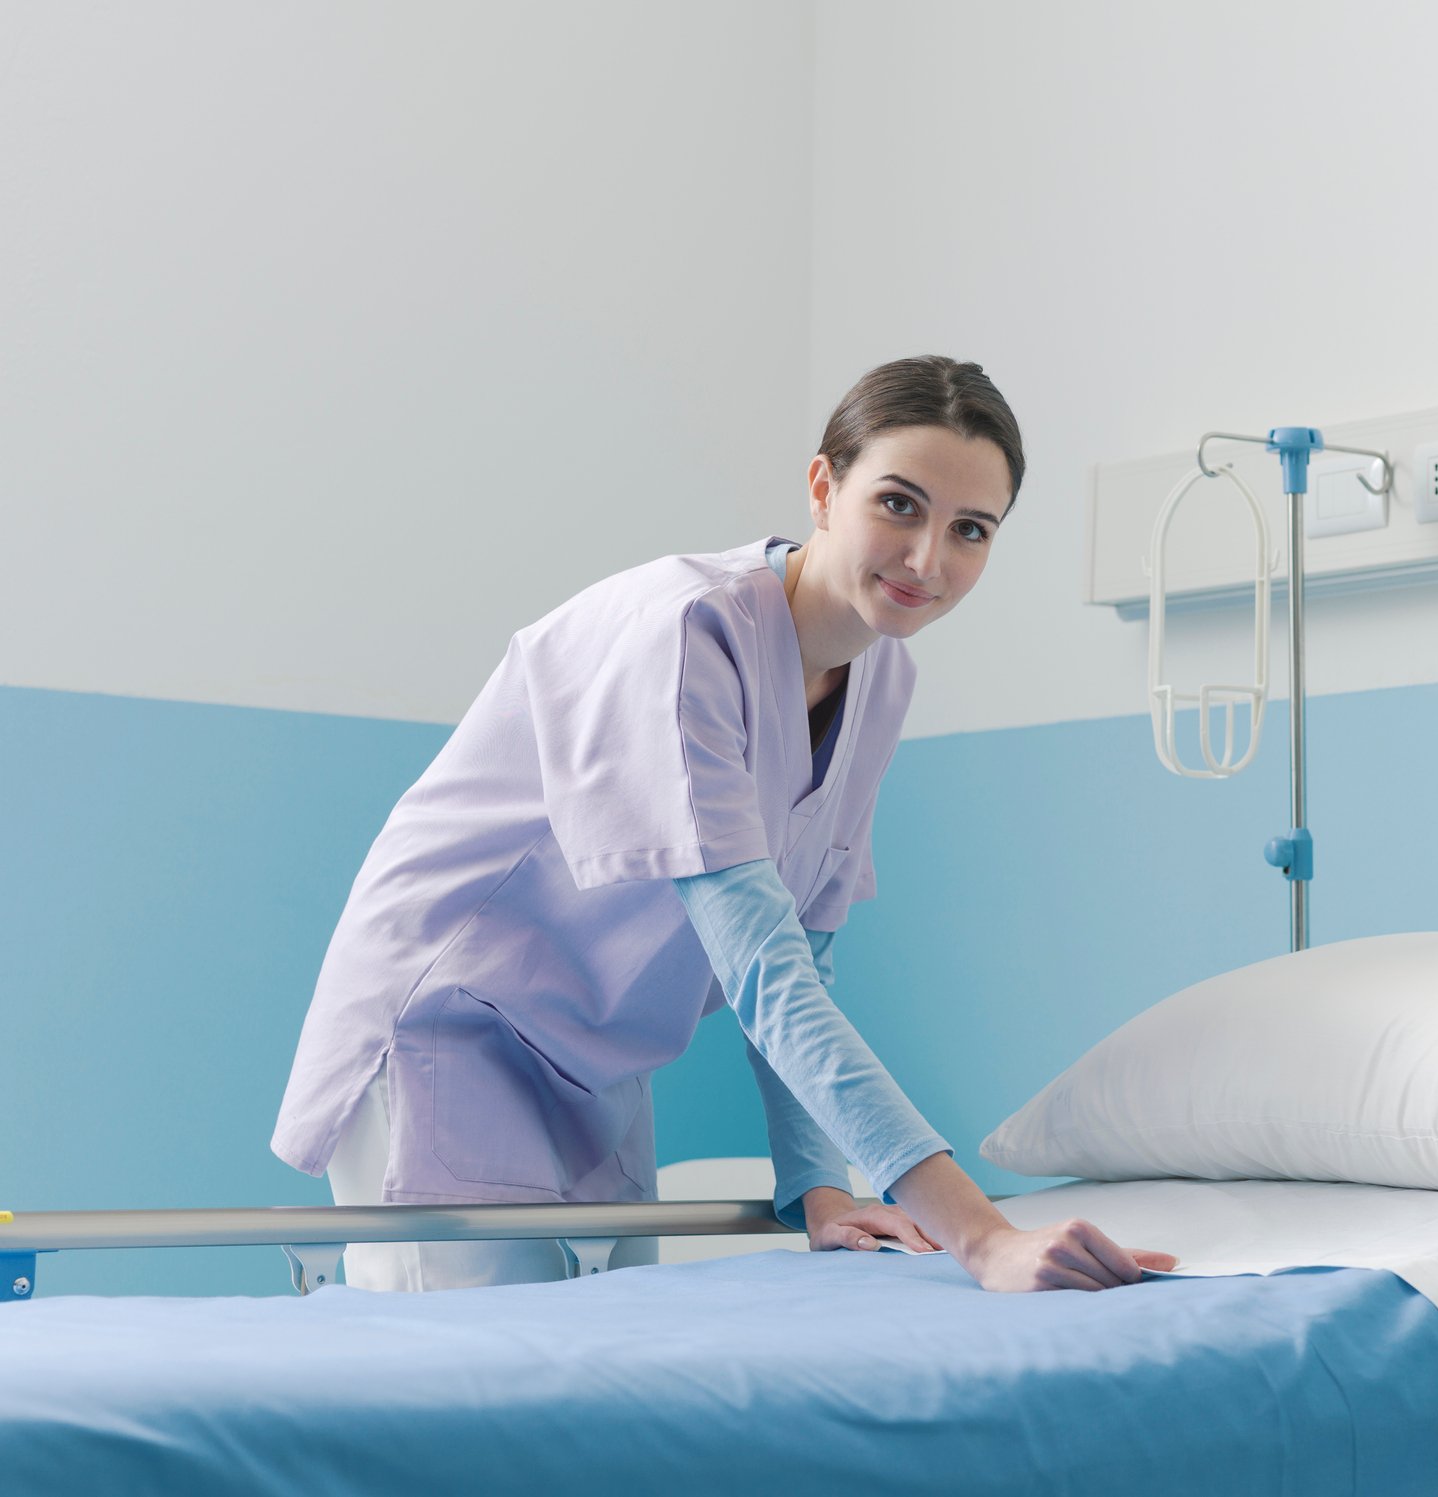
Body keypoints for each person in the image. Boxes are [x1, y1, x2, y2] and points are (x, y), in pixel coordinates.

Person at [272, 355, 1174, 1293]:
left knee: (599, 1375)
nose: (927, 560)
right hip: (448, 1028)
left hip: (598, 1059)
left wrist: (819, 1184)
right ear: (824, 486)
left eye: (970, 530)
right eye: (899, 505)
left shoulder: (881, 677)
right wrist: (981, 1236)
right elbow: (763, 974)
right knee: (466, 1381)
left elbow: (804, 954)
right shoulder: (685, 633)